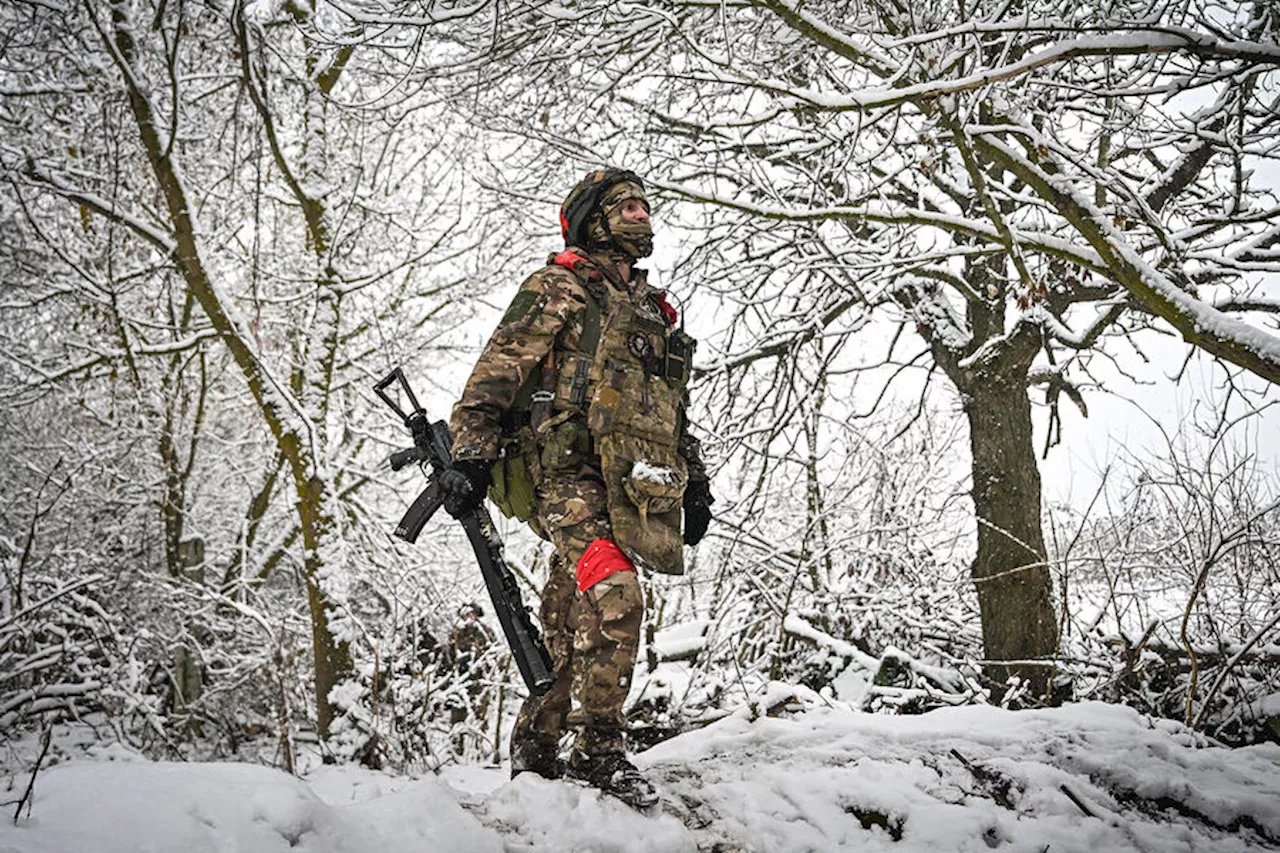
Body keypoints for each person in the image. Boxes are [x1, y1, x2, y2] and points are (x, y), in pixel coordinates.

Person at [438, 168, 713, 809]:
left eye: (647, 206)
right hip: (560, 477)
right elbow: (492, 378)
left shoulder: (653, 313)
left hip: (633, 486)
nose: (643, 215)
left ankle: (536, 755)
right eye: (627, 207)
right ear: (593, 219)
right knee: (616, 594)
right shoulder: (556, 287)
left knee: (571, 616)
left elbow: (670, 409)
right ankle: (599, 754)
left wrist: (695, 482)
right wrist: (470, 456)